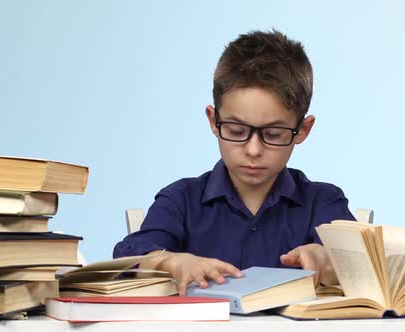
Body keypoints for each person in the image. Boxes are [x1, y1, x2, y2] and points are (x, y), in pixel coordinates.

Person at [113, 29, 355, 295]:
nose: (253, 150)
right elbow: (126, 258)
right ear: (213, 121)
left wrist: (327, 260)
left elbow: (363, 265)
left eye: (273, 134)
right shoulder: (180, 200)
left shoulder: (323, 202)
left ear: (303, 130)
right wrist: (170, 261)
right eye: (237, 131)